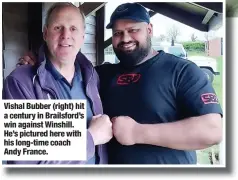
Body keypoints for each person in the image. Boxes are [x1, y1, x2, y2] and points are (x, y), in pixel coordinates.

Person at [17, 3, 223, 164]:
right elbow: (61, 66)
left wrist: (137, 132)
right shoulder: (98, 75)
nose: (125, 38)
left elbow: (212, 130)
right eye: (117, 33)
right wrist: (37, 62)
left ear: (149, 30)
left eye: (133, 30)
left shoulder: (181, 71)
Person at [3, 3, 112, 165]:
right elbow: (25, 163)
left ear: (83, 36)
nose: (65, 35)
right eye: (58, 27)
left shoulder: (91, 76)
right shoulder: (21, 82)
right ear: (46, 33)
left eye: (73, 28)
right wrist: (90, 138)